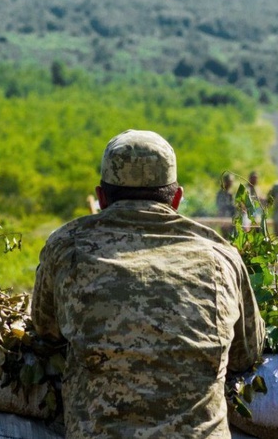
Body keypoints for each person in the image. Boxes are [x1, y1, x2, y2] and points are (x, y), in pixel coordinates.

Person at [32, 129, 264, 438]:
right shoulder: (220, 256)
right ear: (177, 198)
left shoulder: (66, 247)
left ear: (101, 198)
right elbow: (246, 353)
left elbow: (45, 330)